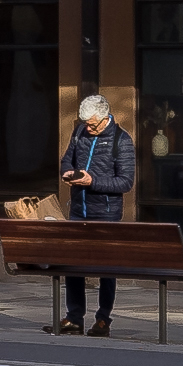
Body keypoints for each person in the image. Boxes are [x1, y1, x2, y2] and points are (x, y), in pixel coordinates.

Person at [51, 90, 136, 334]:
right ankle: (74, 317)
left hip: (106, 213)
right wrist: (68, 172)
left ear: (105, 117)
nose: (89, 128)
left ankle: (103, 319)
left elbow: (125, 182)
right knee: (73, 264)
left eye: (92, 124)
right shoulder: (79, 133)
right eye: (85, 124)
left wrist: (92, 181)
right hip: (78, 209)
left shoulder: (122, 140)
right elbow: (67, 160)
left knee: (106, 268)